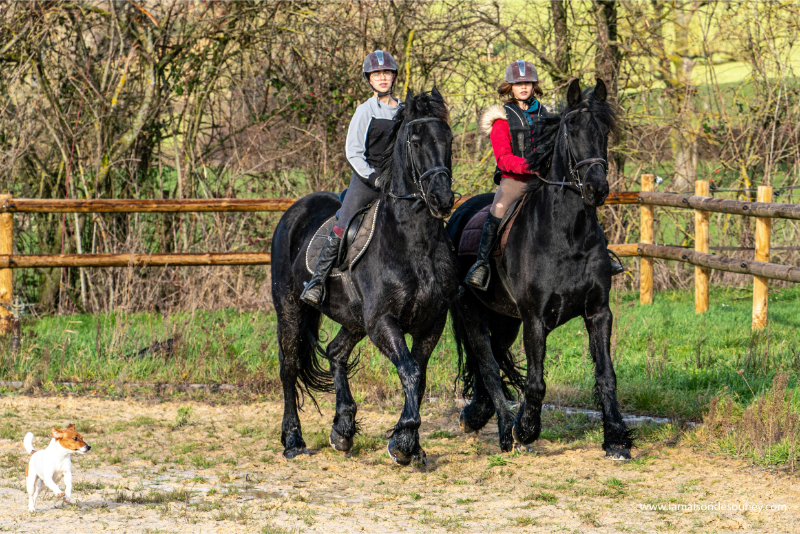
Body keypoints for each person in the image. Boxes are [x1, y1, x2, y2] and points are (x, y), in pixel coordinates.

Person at [463, 60, 624, 290]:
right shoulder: (502, 118)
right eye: (518, 84)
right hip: (515, 181)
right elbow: (503, 159)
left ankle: (602, 252)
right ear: (510, 87)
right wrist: (530, 167)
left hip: (547, 178)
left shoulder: (545, 113)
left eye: (527, 83)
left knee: (580, 203)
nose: (524, 88)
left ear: (534, 85)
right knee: (498, 209)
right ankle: (481, 264)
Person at [301, 50, 400, 307]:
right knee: (344, 222)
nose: (382, 78)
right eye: (377, 74)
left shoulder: (403, 111)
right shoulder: (365, 111)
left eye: (386, 73)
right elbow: (353, 152)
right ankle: (317, 282)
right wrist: (373, 177)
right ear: (369, 79)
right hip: (368, 181)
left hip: (398, 182)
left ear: (393, 77)